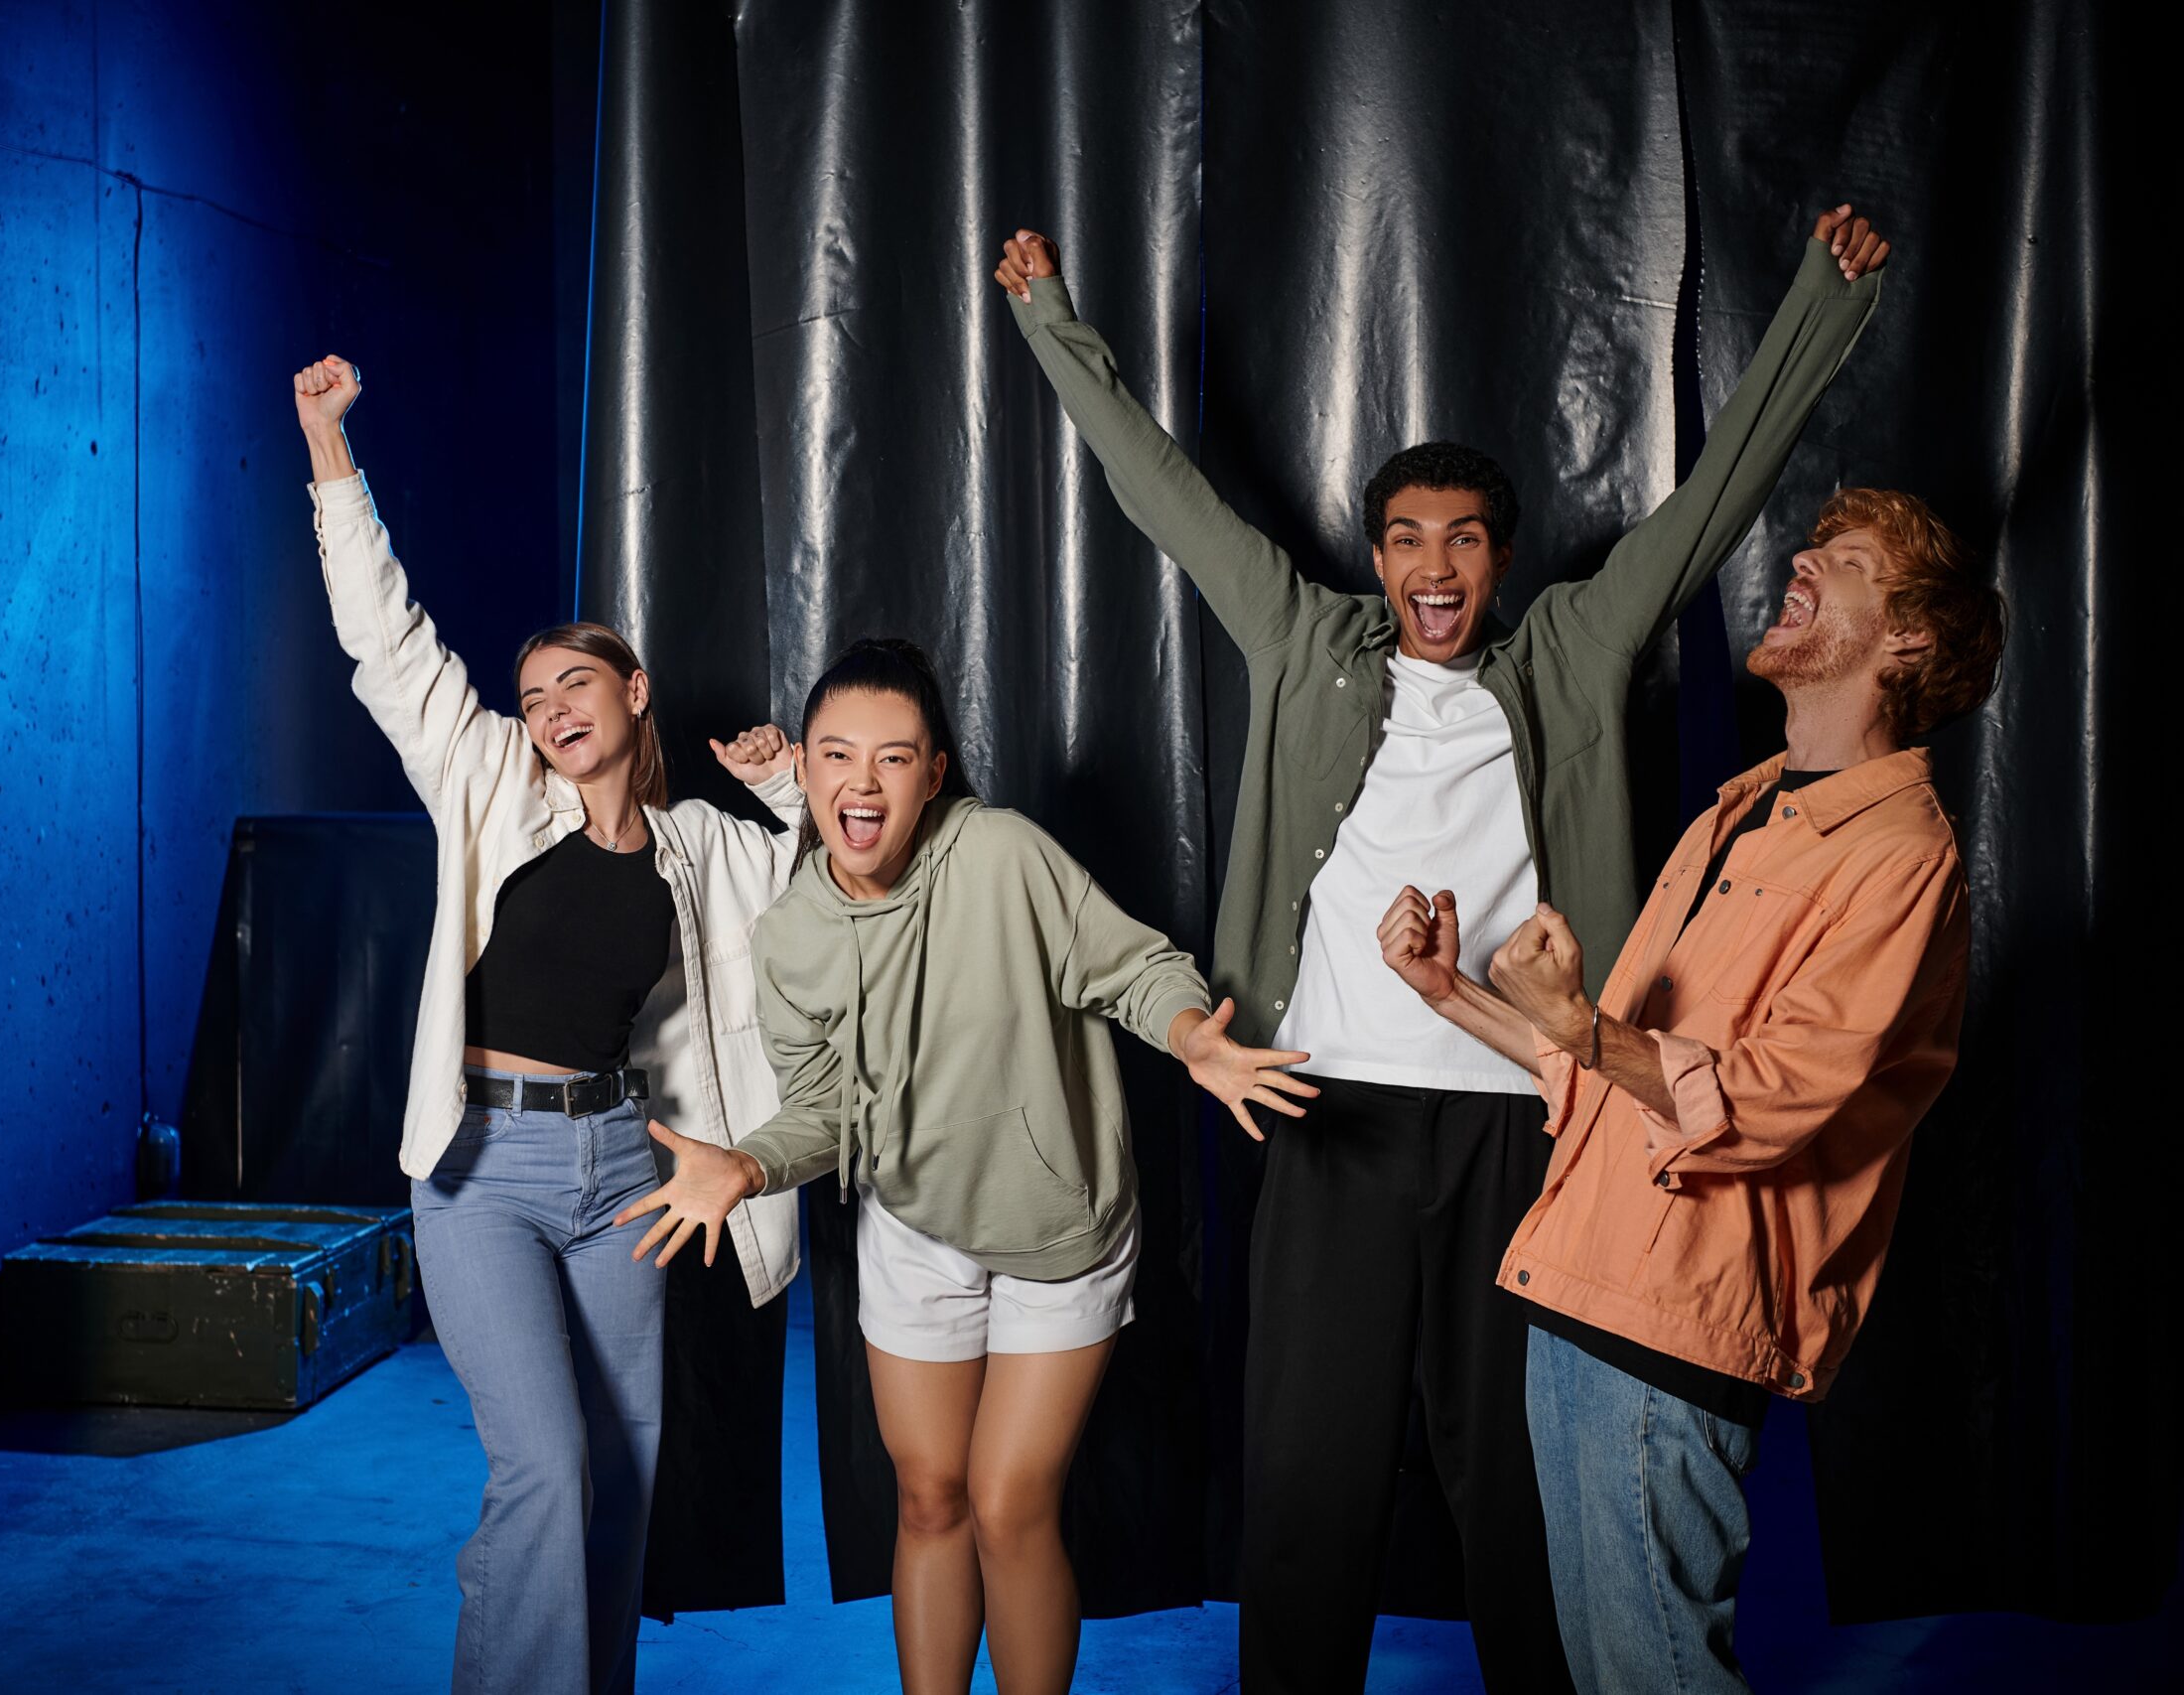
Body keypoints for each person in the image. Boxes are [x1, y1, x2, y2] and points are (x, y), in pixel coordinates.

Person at [996, 207, 1890, 1691]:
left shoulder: (1573, 654)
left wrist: (1823, 300)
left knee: (1520, 1498)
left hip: (1523, 1129)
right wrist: (1051, 323)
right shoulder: (1302, 639)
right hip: (1328, 1112)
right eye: (1407, 538)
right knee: (1307, 1489)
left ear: (1503, 559)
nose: (1434, 563)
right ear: (1377, 556)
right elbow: (1160, 487)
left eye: (1464, 539)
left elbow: (1719, 495)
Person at [1377, 486, 2003, 1692]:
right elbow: (1616, 1079)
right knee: (1605, 1667)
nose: (1803, 562)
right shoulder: (1741, 808)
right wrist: (1450, 994)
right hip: (1580, 1280)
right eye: (1812, 544)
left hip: (1676, 1322)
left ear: (1909, 635)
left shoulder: (1900, 857)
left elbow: (1769, 1101)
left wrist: (1586, 1025)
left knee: (1651, 1675)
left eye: (1846, 559)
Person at [615, 638, 1311, 1695]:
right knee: (930, 1495)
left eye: (894, 759)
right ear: (800, 772)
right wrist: (751, 1168)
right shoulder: (791, 935)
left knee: (1007, 1500)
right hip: (915, 1228)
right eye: (838, 756)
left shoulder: (999, 855)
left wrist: (1189, 1034)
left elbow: (1131, 965)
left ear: (934, 773)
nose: (863, 781)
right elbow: (826, 1113)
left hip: (1059, 1225)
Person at [292, 353, 804, 1695]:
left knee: (623, 1463)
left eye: (571, 685)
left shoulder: (702, 846)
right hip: (483, 1171)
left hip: (625, 1169)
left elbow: (839, 882)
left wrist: (795, 784)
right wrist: (330, 451)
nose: (546, 710)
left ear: (634, 691)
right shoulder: (484, 782)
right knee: (546, 1459)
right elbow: (387, 642)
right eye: (529, 697)